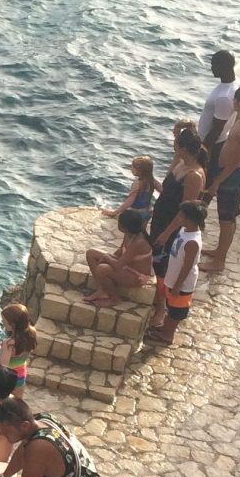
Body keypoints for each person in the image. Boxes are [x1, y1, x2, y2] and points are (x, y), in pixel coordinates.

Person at [201, 87, 240, 273]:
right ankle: (219, 251)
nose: (232, 102)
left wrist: (217, 181)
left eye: (235, 100)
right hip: (225, 171)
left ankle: (220, 262)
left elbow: (235, 161)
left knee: (226, 221)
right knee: (227, 218)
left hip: (229, 176)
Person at [146, 201, 205, 345]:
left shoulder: (192, 242)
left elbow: (188, 266)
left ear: (189, 219)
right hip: (172, 277)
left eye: (181, 216)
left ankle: (167, 335)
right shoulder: (184, 231)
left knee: (176, 311)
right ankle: (164, 329)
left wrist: (178, 284)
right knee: (170, 305)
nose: (179, 218)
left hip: (182, 283)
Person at [147, 125, 206, 266]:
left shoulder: (193, 176)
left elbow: (186, 209)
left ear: (184, 148)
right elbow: (167, 190)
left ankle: (163, 288)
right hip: (161, 218)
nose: (173, 146)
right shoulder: (181, 164)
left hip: (171, 224)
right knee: (155, 260)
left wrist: (167, 233)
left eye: (176, 145)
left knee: (162, 263)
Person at [84, 208, 153, 307]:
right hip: (126, 266)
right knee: (91, 254)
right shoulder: (129, 234)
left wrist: (106, 257)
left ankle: (115, 299)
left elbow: (118, 266)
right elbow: (120, 252)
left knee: (102, 268)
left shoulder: (138, 242)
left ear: (124, 227)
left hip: (136, 276)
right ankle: (102, 289)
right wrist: (108, 258)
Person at [0, 303, 37, 396]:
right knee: (16, 405)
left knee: (2, 407)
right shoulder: (31, 334)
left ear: (13, 325)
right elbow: (16, 353)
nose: (3, 322)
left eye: (4, 321)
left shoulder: (8, 344)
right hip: (20, 376)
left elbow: (2, 369)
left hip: (9, 380)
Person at [196, 50, 238, 147]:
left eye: (214, 65)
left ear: (223, 67)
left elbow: (217, 130)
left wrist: (203, 149)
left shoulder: (224, 97)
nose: (211, 68)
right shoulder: (237, 83)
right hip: (223, 138)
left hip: (213, 144)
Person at [100, 155, 157, 225]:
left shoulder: (137, 184)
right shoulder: (153, 182)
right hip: (147, 213)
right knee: (141, 231)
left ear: (139, 170)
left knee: (119, 219)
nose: (131, 169)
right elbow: (163, 193)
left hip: (135, 214)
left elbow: (130, 201)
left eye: (132, 167)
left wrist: (114, 212)